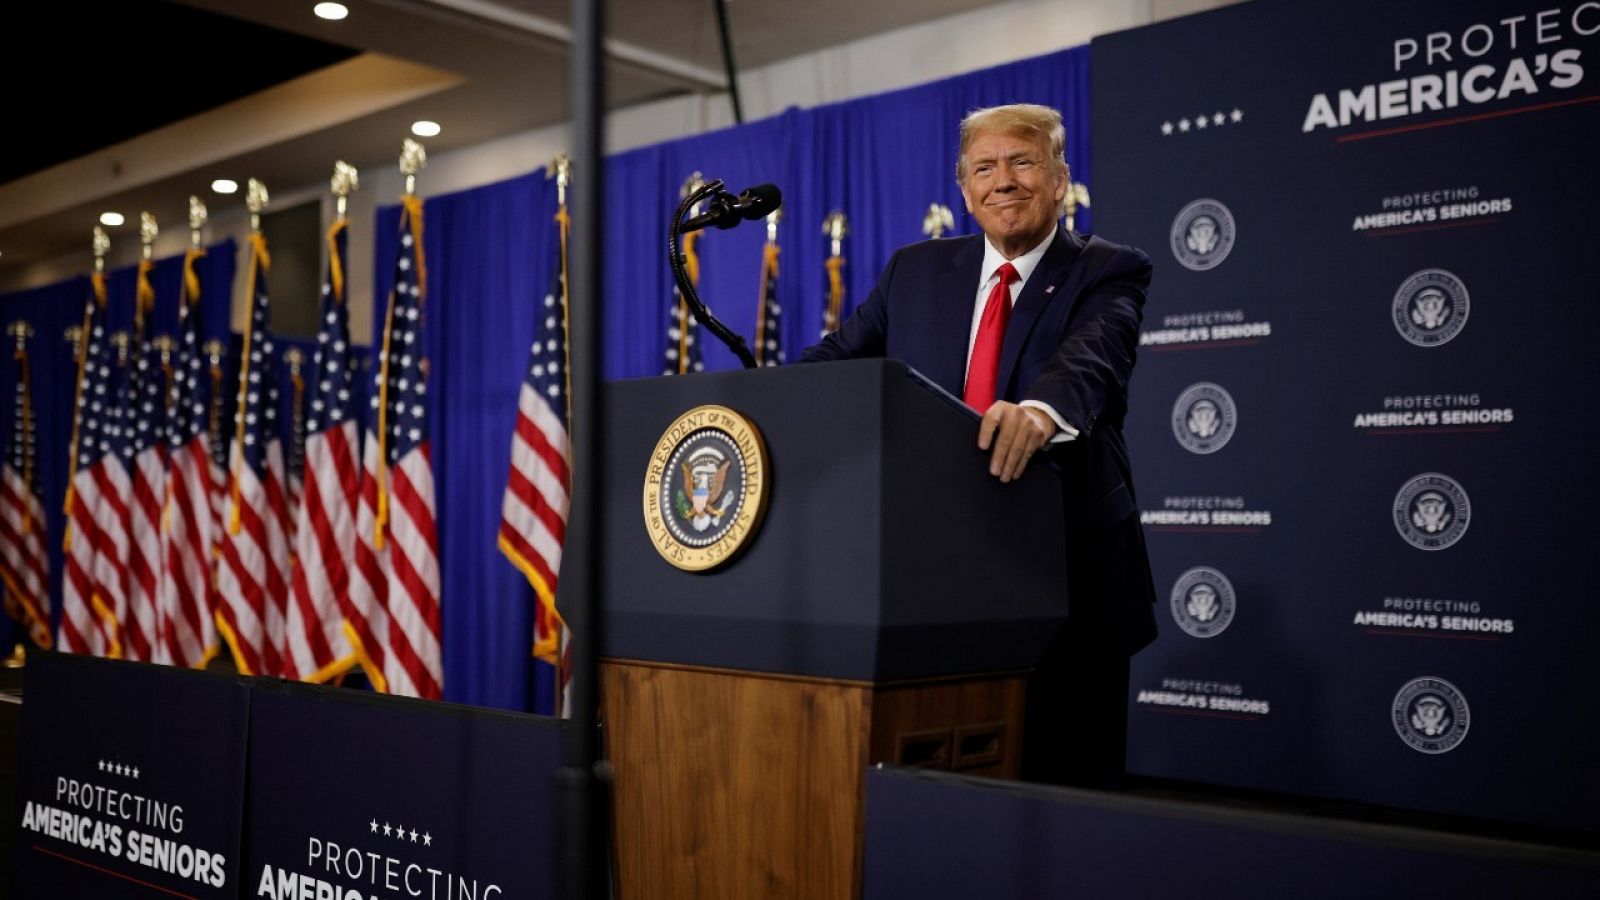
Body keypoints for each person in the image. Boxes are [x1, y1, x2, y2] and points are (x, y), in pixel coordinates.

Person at [801, 103, 1157, 788]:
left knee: (1066, 788)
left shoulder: (1109, 270)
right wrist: (760, 403)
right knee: (944, 783)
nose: (1004, 181)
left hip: (1066, 576)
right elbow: (834, 361)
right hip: (930, 579)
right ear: (963, 190)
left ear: (1060, 180)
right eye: (984, 168)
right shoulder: (914, 271)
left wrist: (1038, 411)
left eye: (1023, 162)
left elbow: (1093, 358)